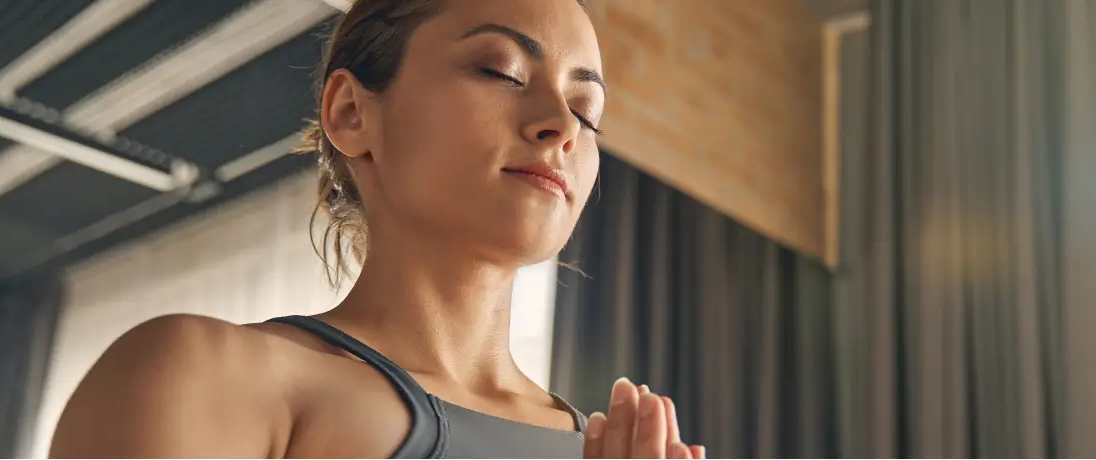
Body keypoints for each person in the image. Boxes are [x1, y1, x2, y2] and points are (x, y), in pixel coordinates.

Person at [48, 0, 702, 457]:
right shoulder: (208, 376)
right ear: (352, 112)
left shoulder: (613, 449)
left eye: (586, 110)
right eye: (501, 71)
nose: (560, 125)